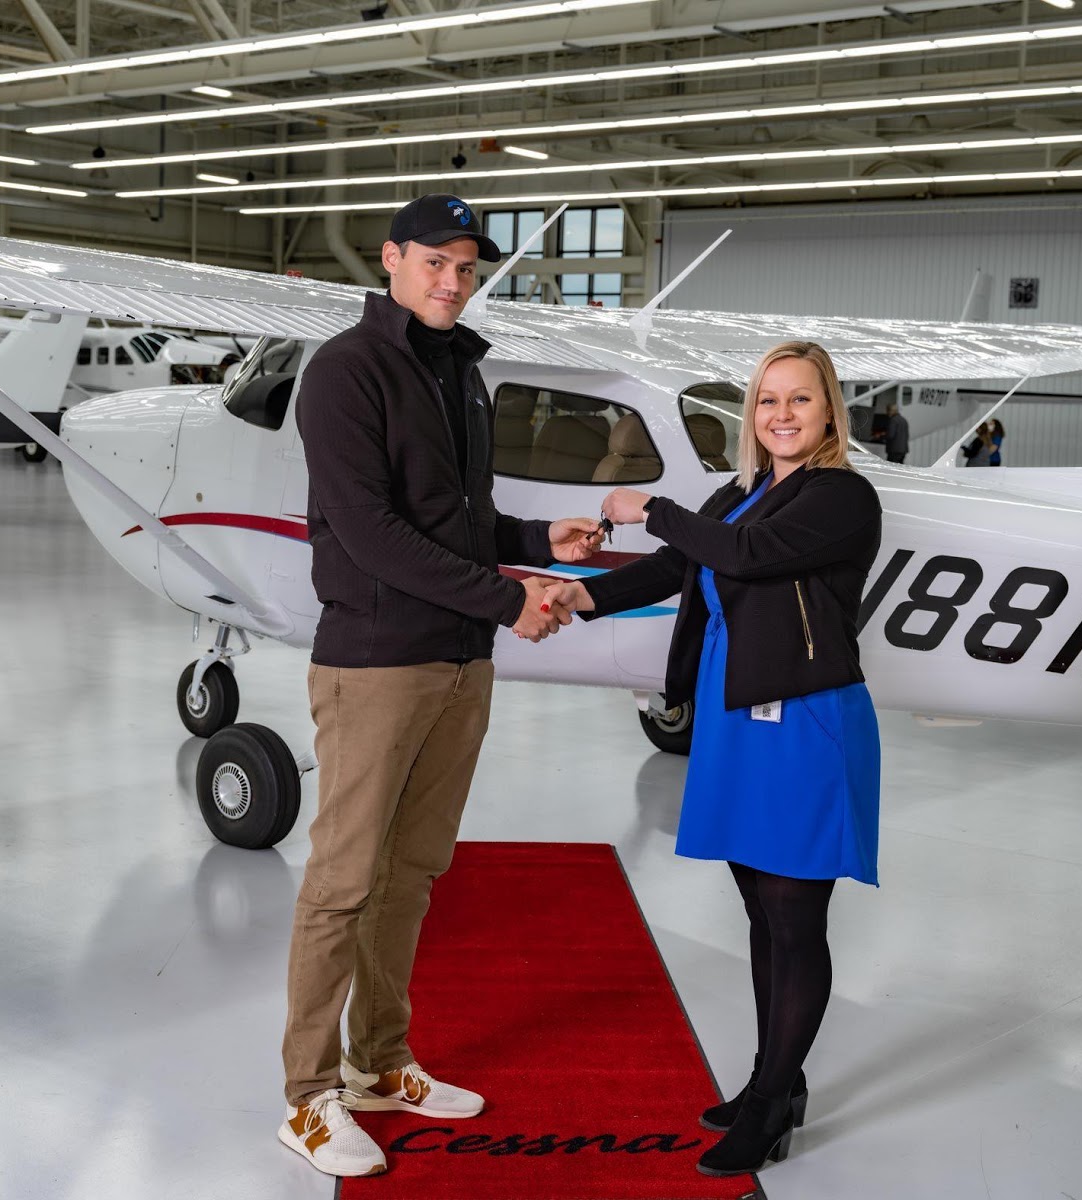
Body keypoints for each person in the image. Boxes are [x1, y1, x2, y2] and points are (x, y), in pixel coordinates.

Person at [279, 193, 604, 1179]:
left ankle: (380, 1064)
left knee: (410, 876)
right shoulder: (344, 372)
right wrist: (510, 602)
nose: (453, 282)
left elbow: (459, 523)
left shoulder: (463, 374)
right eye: (435, 263)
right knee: (342, 883)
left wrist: (534, 542)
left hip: (461, 661)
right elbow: (372, 534)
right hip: (378, 662)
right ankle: (305, 1097)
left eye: (467, 268)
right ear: (390, 260)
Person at [541, 340, 882, 1179]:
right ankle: (778, 1079)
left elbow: (745, 557)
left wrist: (647, 504)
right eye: (768, 401)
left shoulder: (843, 497)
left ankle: (769, 1105)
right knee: (762, 912)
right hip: (737, 722)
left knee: (796, 920)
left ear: (829, 411)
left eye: (800, 400)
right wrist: (582, 595)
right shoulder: (743, 492)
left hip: (804, 722)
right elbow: (681, 564)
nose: (782, 415)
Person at [882, 398, 909, 464]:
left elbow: (890, 435)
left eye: (887, 411)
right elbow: (907, 435)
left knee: (891, 468)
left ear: (891, 411)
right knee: (899, 468)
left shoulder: (893, 420)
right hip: (903, 450)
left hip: (894, 450)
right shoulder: (903, 420)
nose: (887, 413)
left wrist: (882, 436)